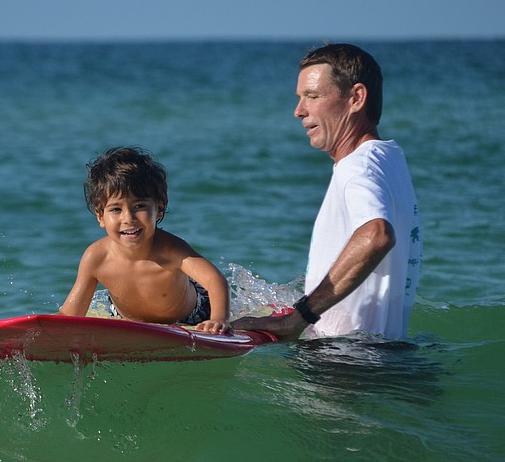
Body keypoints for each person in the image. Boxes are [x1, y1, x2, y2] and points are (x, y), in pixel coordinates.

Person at [229, 43, 422, 341]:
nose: (298, 111)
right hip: (380, 352)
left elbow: (376, 236)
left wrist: (300, 316)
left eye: (313, 96)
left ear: (356, 98)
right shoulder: (389, 158)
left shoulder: (358, 166)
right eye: (300, 98)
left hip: (341, 362)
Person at [59, 146, 231, 334]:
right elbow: (71, 314)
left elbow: (214, 280)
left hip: (191, 316)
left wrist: (219, 319)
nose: (128, 218)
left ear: (159, 208)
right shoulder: (96, 257)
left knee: (226, 322)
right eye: (116, 209)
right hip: (124, 318)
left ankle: (254, 323)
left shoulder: (171, 250)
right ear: (100, 216)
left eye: (139, 206)